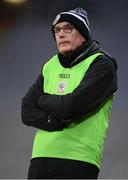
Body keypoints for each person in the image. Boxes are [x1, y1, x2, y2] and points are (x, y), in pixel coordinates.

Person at [21, 7, 118, 179]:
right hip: (40, 158)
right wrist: (56, 121)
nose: (61, 34)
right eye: (57, 30)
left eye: (68, 28)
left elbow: (72, 106)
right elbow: (26, 111)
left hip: (78, 159)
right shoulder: (50, 65)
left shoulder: (102, 64)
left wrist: (41, 100)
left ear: (83, 34)